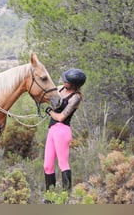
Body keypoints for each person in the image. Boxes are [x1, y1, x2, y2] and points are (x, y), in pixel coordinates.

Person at [43, 68, 86, 199]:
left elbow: (61, 117)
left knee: (63, 164)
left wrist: (50, 112)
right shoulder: (60, 89)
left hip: (62, 130)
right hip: (52, 130)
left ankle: (65, 197)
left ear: (73, 84)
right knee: (47, 165)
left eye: (66, 81)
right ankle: (50, 198)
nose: (63, 81)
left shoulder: (76, 98)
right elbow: (49, 95)